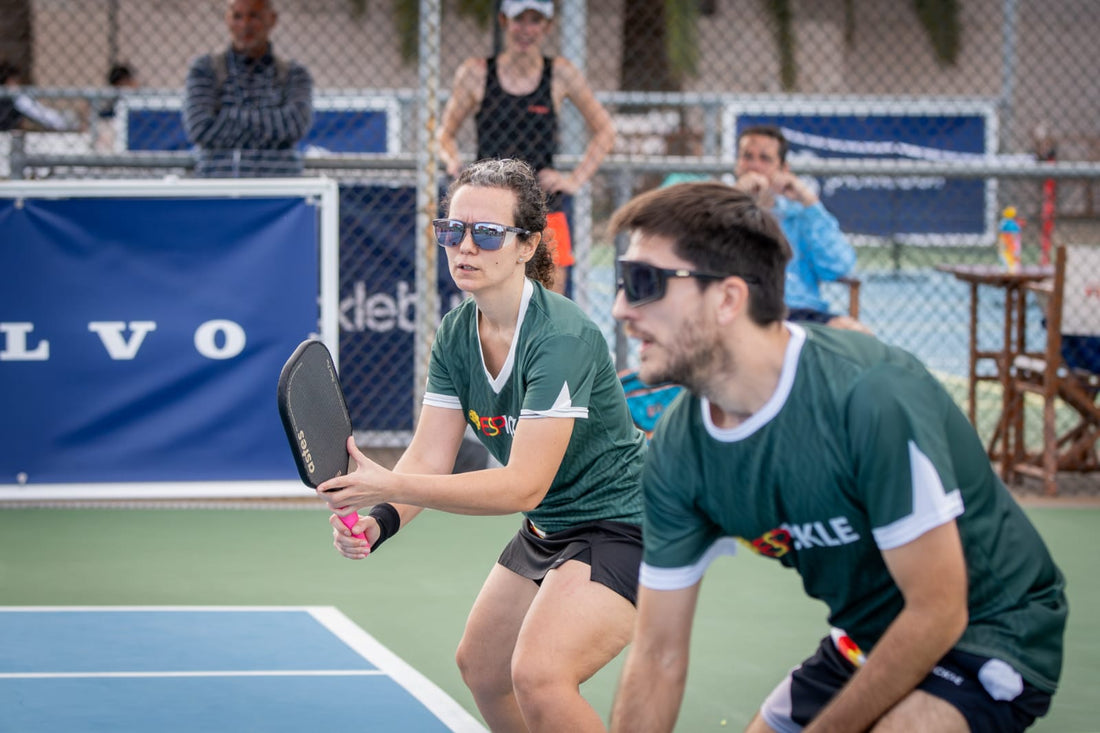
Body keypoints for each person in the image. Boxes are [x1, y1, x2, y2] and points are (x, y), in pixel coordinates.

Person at [606, 181, 1067, 732]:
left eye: (644, 282)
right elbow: (657, 655)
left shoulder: (871, 396)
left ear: (728, 298)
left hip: (990, 631)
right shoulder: (679, 447)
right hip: (867, 636)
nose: (620, 308)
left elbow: (939, 611)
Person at [319, 158, 646, 732]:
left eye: (488, 233)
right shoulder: (455, 334)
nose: (464, 246)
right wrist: (381, 518)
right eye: (452, 230)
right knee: (484, 668)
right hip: (550, 525)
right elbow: (430, 456)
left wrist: (387, 481)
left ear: (527, 246)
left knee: (540, 675)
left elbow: (523, 486)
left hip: (623, 525)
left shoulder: (561, 337)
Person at [439, 0, 616, 296]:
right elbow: (444, 135)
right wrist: (454, 163)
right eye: (519, 19)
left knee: (551, 301)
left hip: (544, 207)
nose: (526, 29)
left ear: (547, 27)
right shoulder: (476, 73)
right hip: (488, 210)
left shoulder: (560, 73)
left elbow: (606, 132)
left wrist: (574, 179)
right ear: (504, 21)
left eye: (535, 20)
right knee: (488, 301)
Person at [733, 124, 870, 333]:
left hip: (800, 313)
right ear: (737, 165)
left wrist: (810, 203)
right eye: (747, 157)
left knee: (857, 335)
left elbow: (840, 267)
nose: (754, 166)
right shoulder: (720, 213)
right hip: (742, 312)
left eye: (765, 159)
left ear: (783, 169)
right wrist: (734, 199)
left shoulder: (801, 216)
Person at [183, 0, 312, 177]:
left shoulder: (294, 74)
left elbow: (293, 126)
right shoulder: (205, 69)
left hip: (278, 184)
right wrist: (270, 124)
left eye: (254, 16)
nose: (245, 25)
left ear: (272, 19)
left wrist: (227, 118)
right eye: (237, 16)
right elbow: (200, 128)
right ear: (227, 19)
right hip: (218, 181)